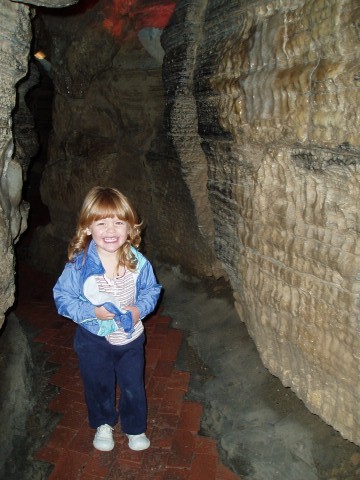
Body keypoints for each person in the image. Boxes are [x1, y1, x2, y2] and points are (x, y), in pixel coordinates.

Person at [53, 186, 162, 452]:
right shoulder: (78, 266)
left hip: (130, 337)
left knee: (133, 385)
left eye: (118, 222)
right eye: (101, 223)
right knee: (98, 383)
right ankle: (103, 423)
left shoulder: (139, 262)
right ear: (88, 228)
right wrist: (92, 312)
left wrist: (138, 311)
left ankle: (135, 427)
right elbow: (62, 298)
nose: (110, 231)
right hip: (93, 339)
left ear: (130, 228)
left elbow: (152, 290)